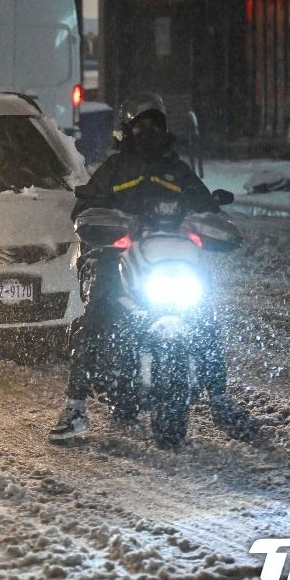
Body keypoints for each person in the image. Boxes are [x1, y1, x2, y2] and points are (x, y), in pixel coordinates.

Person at [49, 92, 252, 443]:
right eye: (141, 126)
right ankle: (75, 407)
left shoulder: (177, 170)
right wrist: (103, 221)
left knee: (205, 316)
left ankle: (220, 399)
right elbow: (85, 207)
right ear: (127, 131)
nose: (148, 132)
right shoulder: (114, 169)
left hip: (169, 260)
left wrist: (211, 220)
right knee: (97, 315)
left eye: (154, 124)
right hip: (117, 257)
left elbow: (206, 207)